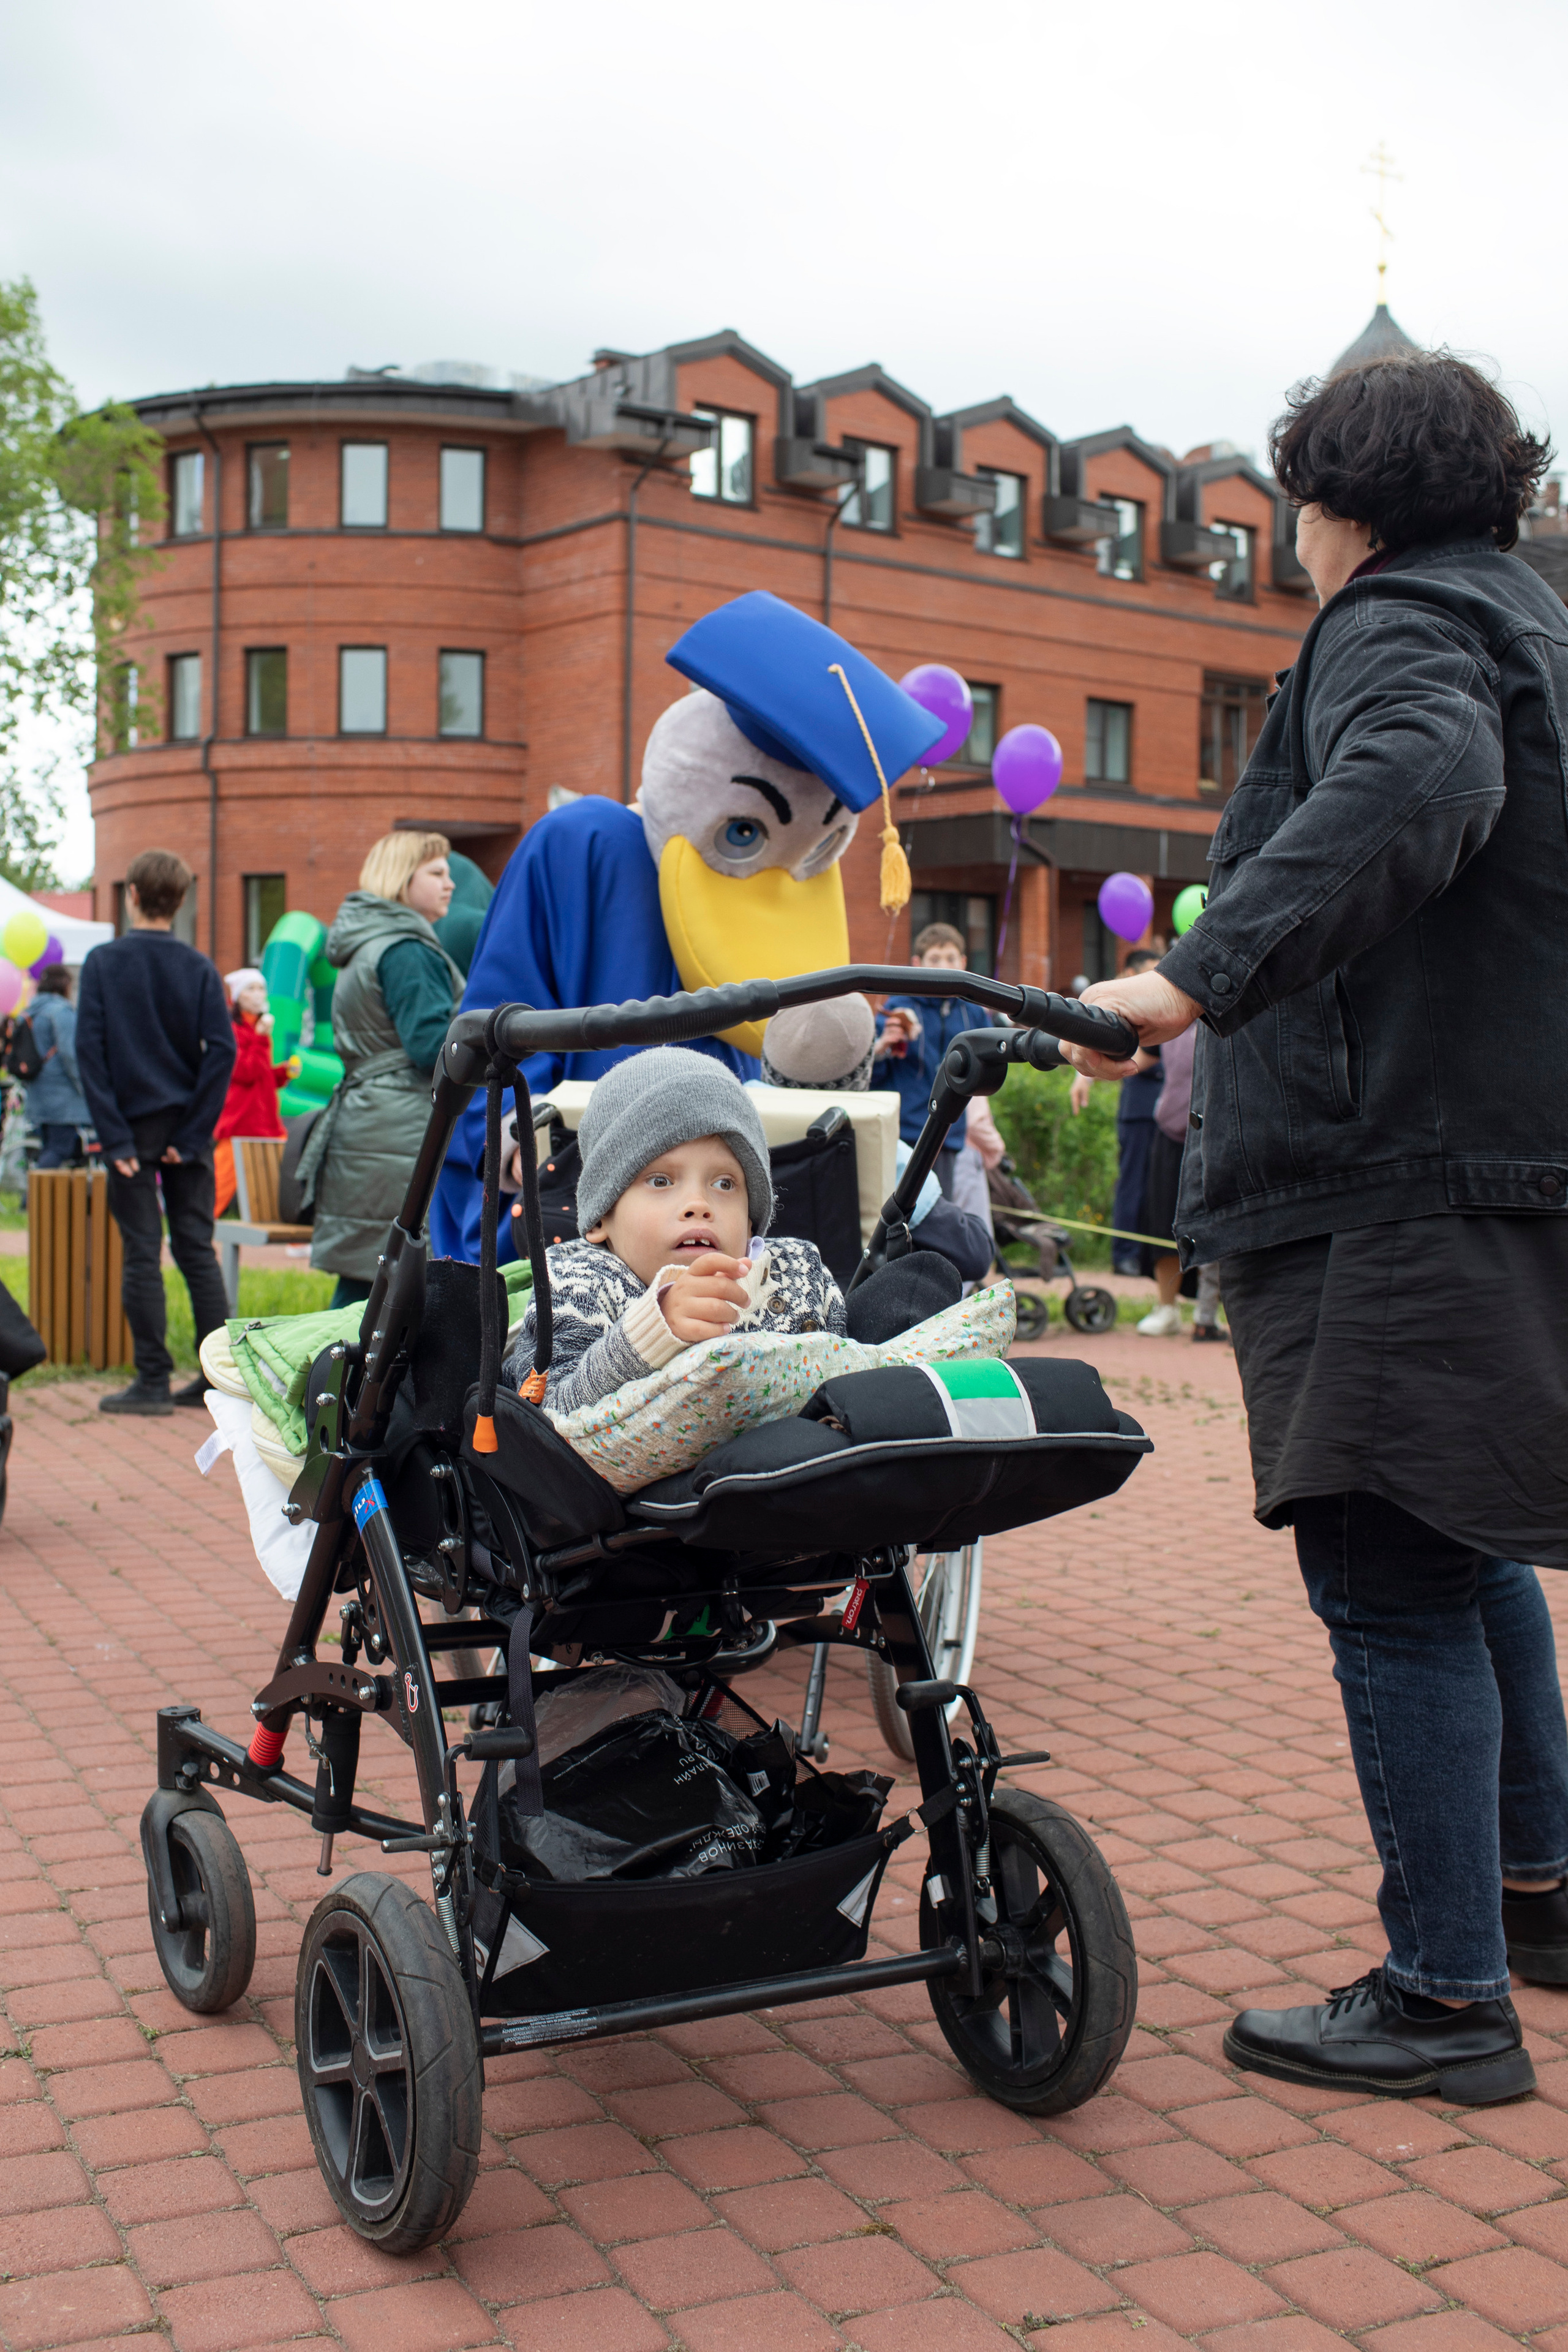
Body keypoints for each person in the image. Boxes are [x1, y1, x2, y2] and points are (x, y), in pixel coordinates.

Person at [1061, 350, 1568, 2103]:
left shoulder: (1398, 624)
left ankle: (1444, 1999)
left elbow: (1422, 784)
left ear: (1334, 504)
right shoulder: (1540, 622)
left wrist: (1189, 976)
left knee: (1387, 1562)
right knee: (1462, 1538)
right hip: (1495, 1156)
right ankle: (1534, 1898)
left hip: (1391, 1172)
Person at [504, 1047, 846, 1412]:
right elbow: (550, 1417)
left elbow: (843, 1374)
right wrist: (651, 1330)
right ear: (601, 1216)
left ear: (751, 1220)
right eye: (661, 1180)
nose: (698, 1203)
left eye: (725, 1184)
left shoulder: (800, 1272)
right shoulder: (576, 1284)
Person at [75, 850, 235, 1415]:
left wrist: (114, 1138)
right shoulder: (198, 968)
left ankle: (150, 1381)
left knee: (142, 1253)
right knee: (197, 1252)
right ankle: (216, 1381)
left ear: (133, 895)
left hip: (130, 1132)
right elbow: (223, 1052)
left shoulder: (102, 963)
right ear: (182, 900)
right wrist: (193, 1135)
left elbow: (89, 1055)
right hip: (185, 1132)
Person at [297, 832, 464, 1311]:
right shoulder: (407, 951)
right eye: (436, 873)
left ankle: (319, 1380)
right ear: (401, 880)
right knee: (388, 1283)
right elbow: (432, 1046)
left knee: (368, 1283)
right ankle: (321, 1382)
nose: (450, 884)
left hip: (371, 1121)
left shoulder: (369, 945)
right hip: (400, 1129)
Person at [757, 996, 995, 1281]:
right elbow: (974, 1255)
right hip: (849, 1315)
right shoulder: (882, 1149)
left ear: (767, 1058)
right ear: (866, 1068)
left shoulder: (730, 1125)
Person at [875, 922, 991, 1197]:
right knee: (897, 1214)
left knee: (940, 1213)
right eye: (935, 960)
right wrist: (884, 1049)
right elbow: (874, 1076)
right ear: (918, 964)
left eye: (951, 959)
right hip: (904, 1133)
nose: (944, 966)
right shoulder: (897, 1007)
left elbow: (985, 1074)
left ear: (963, 962)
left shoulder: (973, 1012)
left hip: (948, 1134)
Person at [213, 968, 290, 1216]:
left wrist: (283, 1073)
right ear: (237, 997)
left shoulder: (258, 1029)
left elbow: (261, 1075)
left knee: (285, 1180)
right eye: (251, 988)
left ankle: (290, 1230)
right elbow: (244, 1072)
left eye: (261, 988)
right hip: (240, 1121)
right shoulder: (231, 1029)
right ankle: (190, 1229)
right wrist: (260, 1038)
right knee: (219, 1185)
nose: (258, 995)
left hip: (267, 1121)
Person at [23, 966, 88, 1169]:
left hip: (37, 1093)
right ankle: (32, 1200)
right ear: (64, 985)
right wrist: (84, 1087)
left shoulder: (30, 1011)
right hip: (62, 1097)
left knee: (50, 1147)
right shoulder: (61, 1011)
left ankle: (38, 1198)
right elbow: (71, 1054)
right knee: (61, 1148)